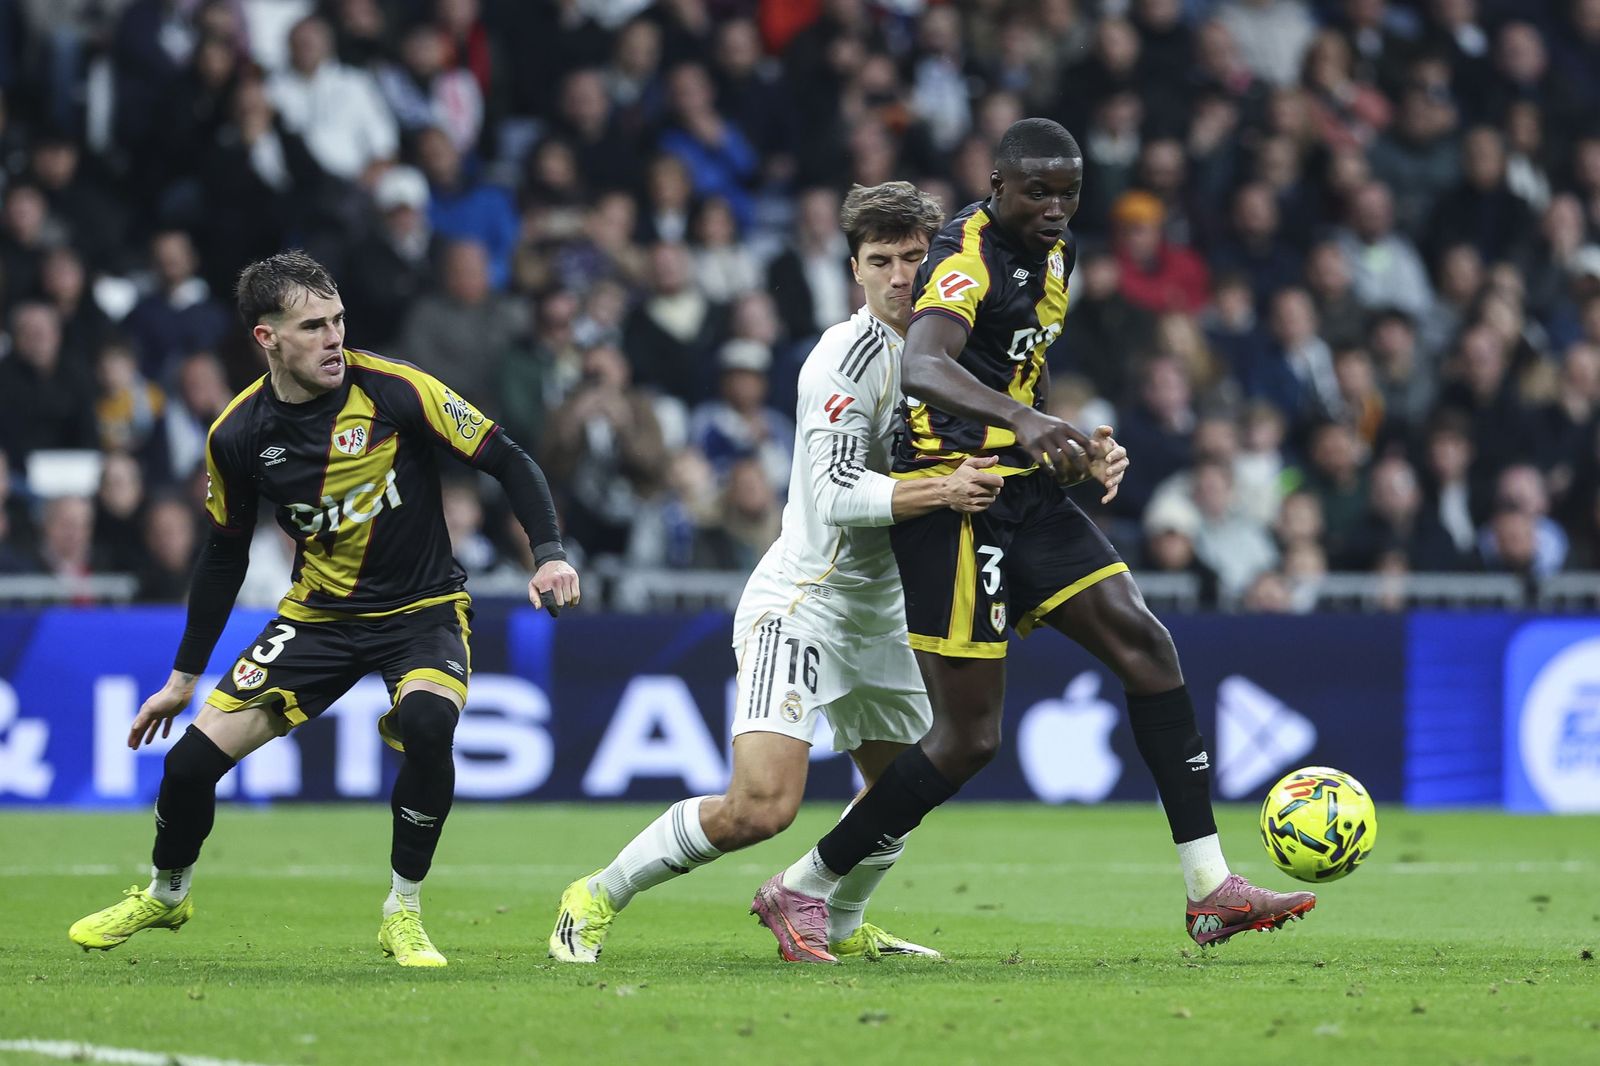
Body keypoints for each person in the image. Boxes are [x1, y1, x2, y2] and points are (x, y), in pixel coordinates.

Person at [752, 119, 1316, 963]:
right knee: (968, 739)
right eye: (1038, 192)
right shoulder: (964, 256)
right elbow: (927, 366)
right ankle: (802, 885)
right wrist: (1025, 421)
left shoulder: (1059, 254)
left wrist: (1075, 443)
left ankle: (1209, 889)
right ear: (997, 186)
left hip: (1025, 491)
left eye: (1069, 192)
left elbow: (1025, 363)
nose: (1056, 208)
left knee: (1149, 649)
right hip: (956, 500)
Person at [68, 251, 579, 968]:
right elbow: (223, 556)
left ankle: (402, 909)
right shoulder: (238, 435)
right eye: (313, 326)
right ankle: (166, 893)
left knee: (431, 723)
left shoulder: (396, 389)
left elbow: (507, 458)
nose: (334, 337)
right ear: (266, 338)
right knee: (185, 769)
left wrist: (549, 551)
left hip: (422, 608)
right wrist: (184, 678)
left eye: (338, 320)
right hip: (318, 618)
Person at [548, 181, 1004, 964]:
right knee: (762, 807)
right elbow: (832, 494)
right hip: (807, 603)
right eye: (881, 261)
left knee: (901, 796)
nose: (900, 276)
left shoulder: (961, 349)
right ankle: (594, 895)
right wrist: (942, 489)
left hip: (890, 613)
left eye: (913, 258)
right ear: (853, 269)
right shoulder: (844, 358)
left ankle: (842, 923)